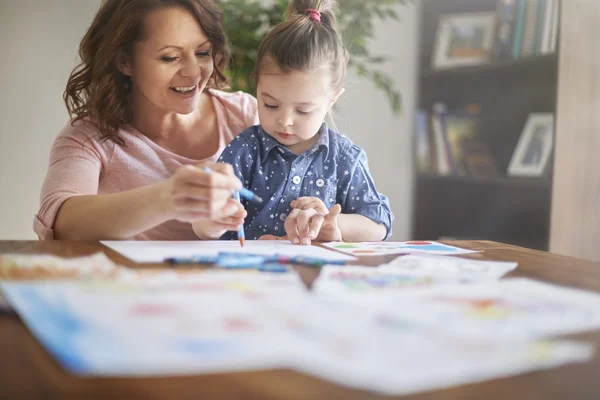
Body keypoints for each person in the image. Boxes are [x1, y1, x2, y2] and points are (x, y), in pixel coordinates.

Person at [34, 0, 258, 240]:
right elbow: (60, 224)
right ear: (124, 62)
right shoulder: (88, 137)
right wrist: (167, 198)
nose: (193, 72)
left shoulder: (244, 115)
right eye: (170, 57)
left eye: (203, 53)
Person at [192, 0, 394, 245]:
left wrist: (330, 223)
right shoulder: (245, 150)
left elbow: (380, 223)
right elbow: (203, 227)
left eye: (303, 110)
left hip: (320, 278)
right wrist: (212, 220)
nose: (285, 121)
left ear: (332, 100)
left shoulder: (343, 158)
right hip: (251, 276)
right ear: (257, 88)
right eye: (271, 105)